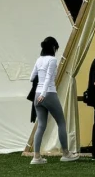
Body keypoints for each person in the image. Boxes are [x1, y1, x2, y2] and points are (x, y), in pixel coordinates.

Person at [30, 36, 77, 164]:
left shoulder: (39, 59)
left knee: (41, 125)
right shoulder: (52, 60)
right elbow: (48, 78)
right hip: (48, 93)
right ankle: (66, 153)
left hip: (37, 95)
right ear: (53, 47)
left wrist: (40, 93)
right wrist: (44, 93)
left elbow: (31, 77)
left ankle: (36, 156)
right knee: (61, 122)